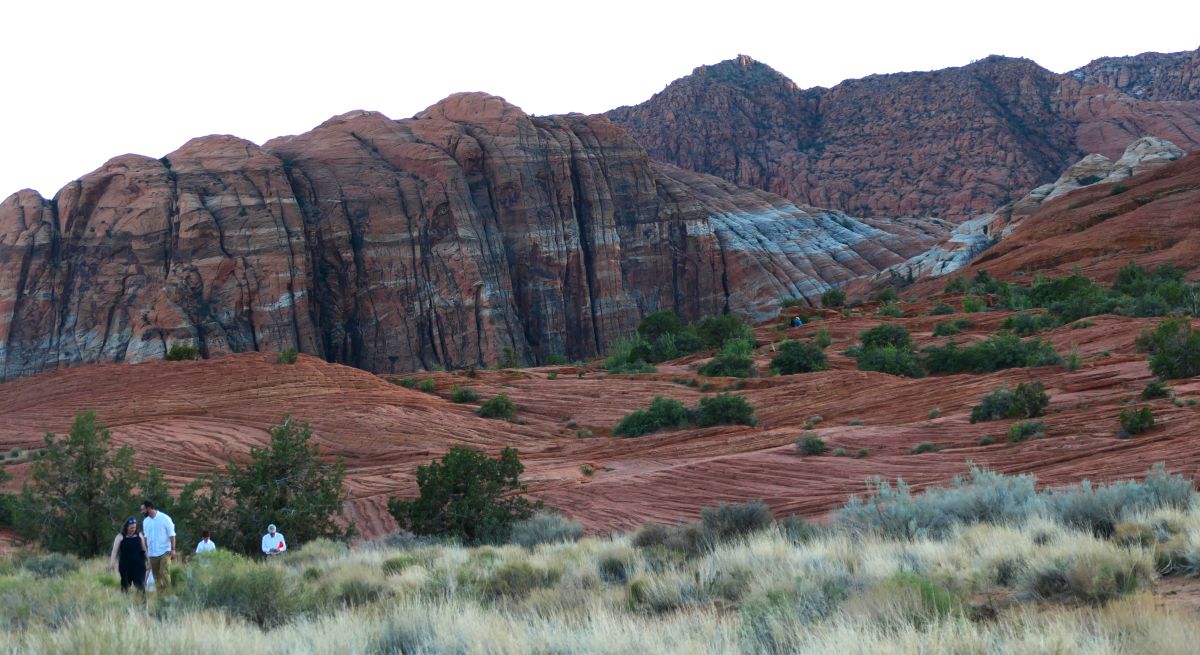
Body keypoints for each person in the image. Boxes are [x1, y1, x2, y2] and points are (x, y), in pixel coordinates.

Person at [141, 499, 176, 591]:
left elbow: (172, 534)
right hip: (152, 553)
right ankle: (161, 598)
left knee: (164, 572)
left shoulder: (165, 518)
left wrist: (173, 549)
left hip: (165, 551)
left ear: (149, 508)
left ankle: (169, 594)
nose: (142, 512)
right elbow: (145, 537)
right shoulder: (145, 521)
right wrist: (145, 552)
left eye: (143, 509)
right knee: (157, 577)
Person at [108, 517, 147, 593]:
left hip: (139, 565)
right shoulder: (120, 537)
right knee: (125, 584)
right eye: (131, 527)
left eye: (134, 527)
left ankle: (142, 602)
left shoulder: (139, 535)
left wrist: (148, 560)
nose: (133, 529)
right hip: (125, 565)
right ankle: (125, 601)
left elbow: (144, 549)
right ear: (126, 527)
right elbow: (114, 551)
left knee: (140, 584)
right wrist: (112, 563)